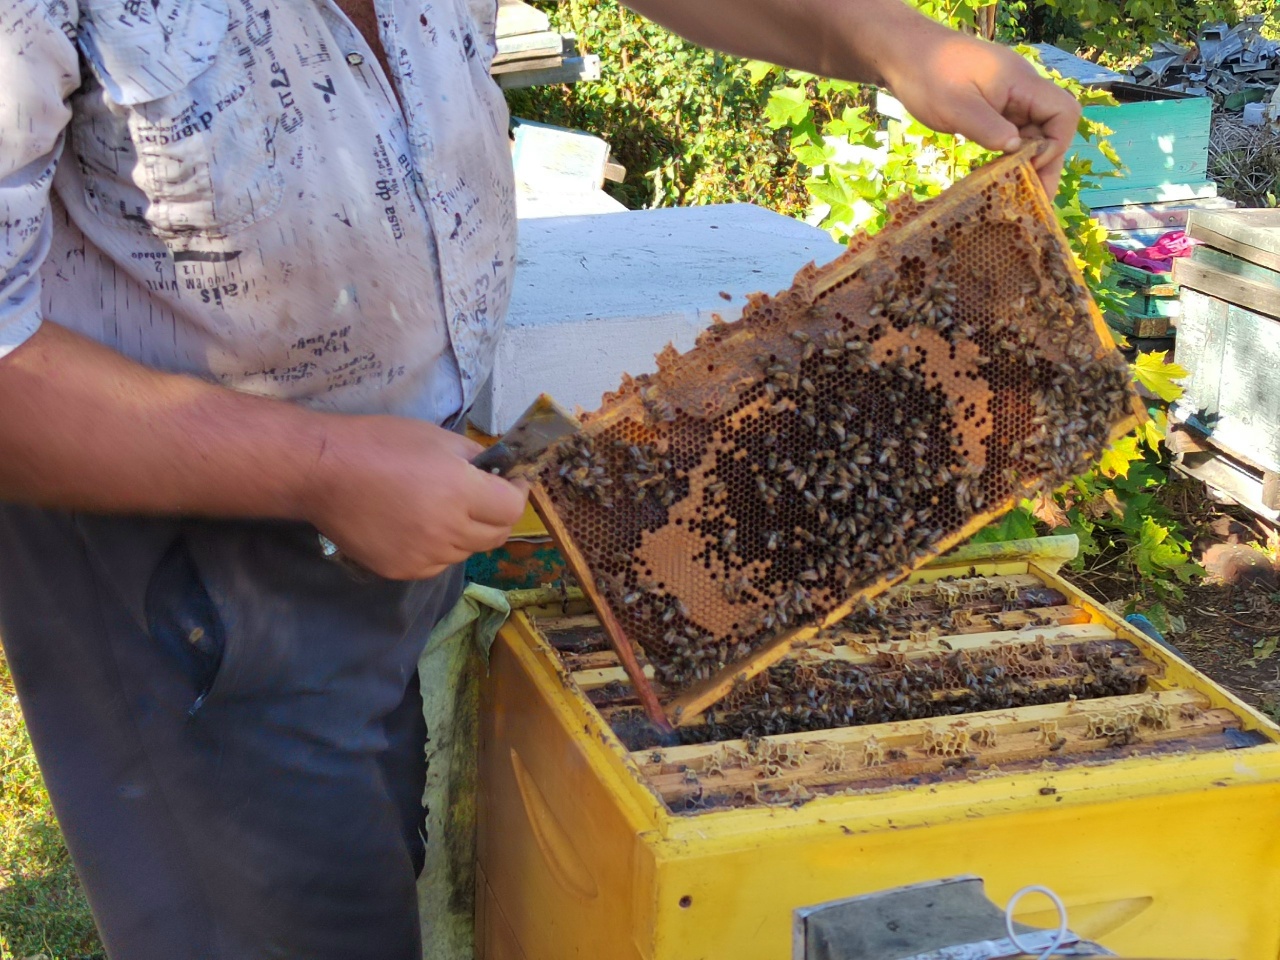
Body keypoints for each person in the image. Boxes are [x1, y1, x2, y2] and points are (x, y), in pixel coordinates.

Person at [0, 0, 1081, 956]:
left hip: (396, 493)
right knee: (279, 926)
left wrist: (884, 36)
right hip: (173, 561)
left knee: (380, 868)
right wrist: (323, 470)